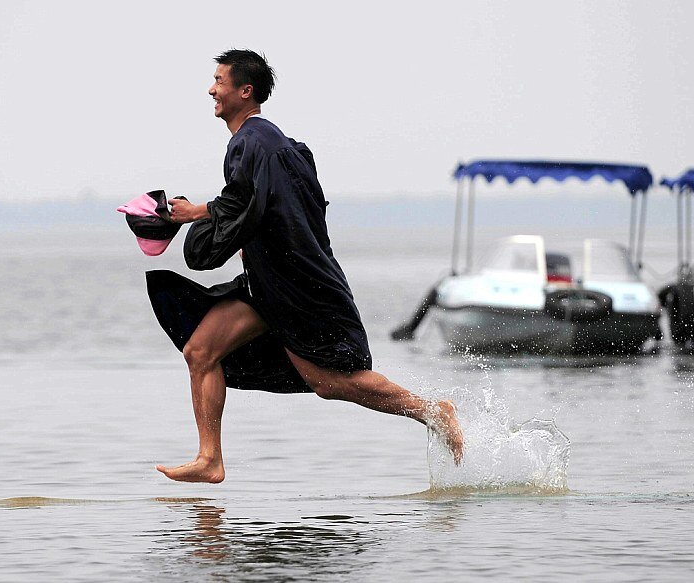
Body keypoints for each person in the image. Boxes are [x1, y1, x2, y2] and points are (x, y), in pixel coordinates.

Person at [151, 49, 462, 483]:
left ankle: (433, 411)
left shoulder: (251, 142)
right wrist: (223, 225)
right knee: (201, 352)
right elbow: (270, 207)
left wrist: (195, 214)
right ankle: (210, 459)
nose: (211, 90)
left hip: (293, 284)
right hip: (268, 279)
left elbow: (245, 204)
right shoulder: (274, 144)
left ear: (246, 90)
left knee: (333, 383)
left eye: (219, 81)